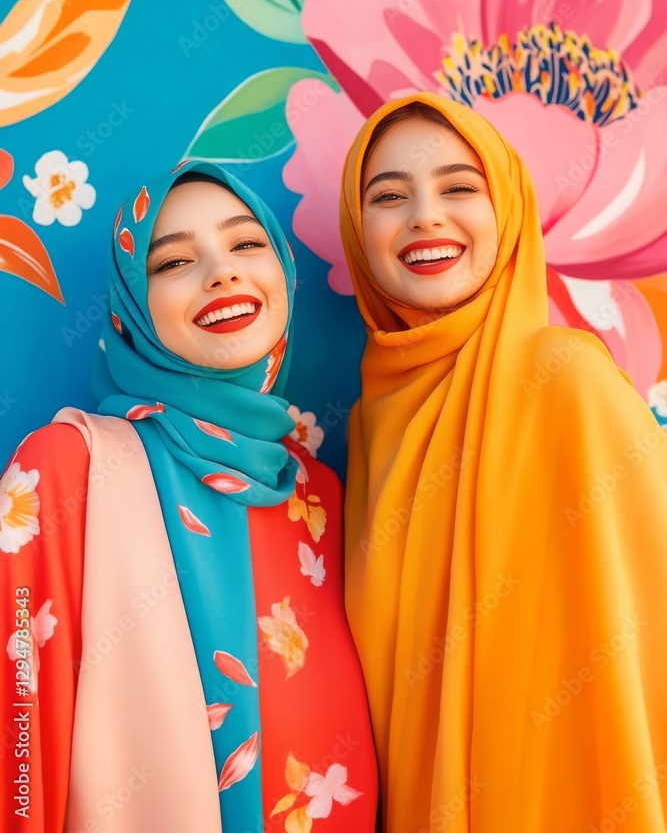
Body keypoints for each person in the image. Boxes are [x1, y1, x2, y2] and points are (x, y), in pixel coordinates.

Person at [1, 161, 378, 833]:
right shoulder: (65, 469)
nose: (221, 272)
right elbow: (15, 723)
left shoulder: (314, 494)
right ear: (134, 306)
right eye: (173, 261)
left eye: (244, 244)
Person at [339, 93, 667, 833]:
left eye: (459, 187)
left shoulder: (566, 382)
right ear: (359, 235)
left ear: (508, 211)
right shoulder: (366, 434)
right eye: (389, 196)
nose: (425, 215)